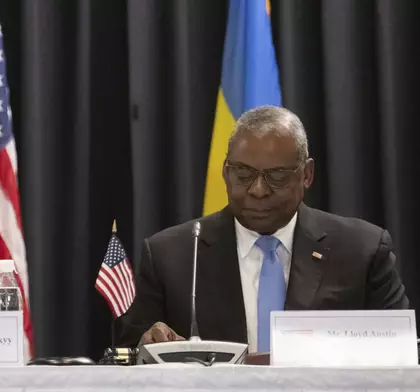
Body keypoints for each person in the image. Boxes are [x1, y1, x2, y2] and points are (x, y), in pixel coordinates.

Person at [115, 106, 409, 353]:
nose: (257, 190)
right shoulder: (172, 255)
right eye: (243, 174)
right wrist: (148, 344)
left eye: (277, 176)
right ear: (226, 172)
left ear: (306, 174)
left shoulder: (363, 251)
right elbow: (130, 357)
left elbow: (400, 356)